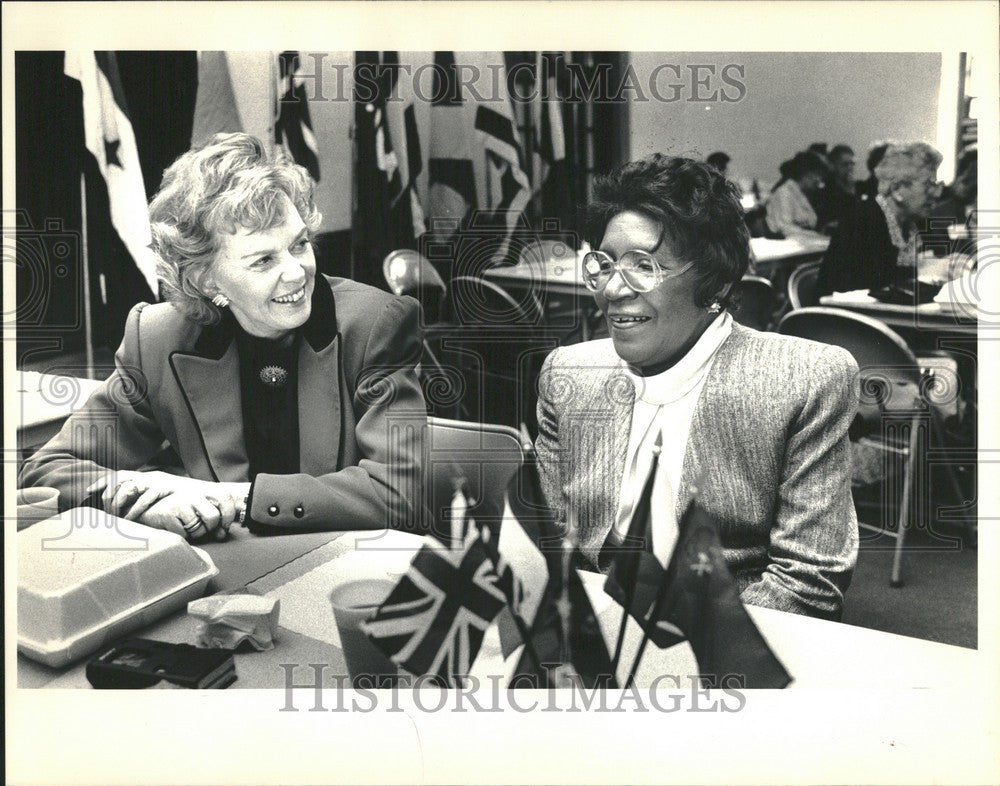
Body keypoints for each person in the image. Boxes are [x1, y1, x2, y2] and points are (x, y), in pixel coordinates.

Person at [19, 133, 427, 540]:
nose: (297, 272)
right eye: (263, 260)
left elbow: (401, 493)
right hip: (224, 570)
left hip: (341, 564)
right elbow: (49, 468)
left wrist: (234, 498)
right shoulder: (156, 339)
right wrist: (147, 503)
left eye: (299, 244)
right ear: (204, 278)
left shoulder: (376, 323)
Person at [535, 155, 859, 620]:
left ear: (714, 279)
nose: (610, 289)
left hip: (729, 647)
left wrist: (668, 647)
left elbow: (808, 584)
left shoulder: (805, 380)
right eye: (603, 264)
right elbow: (549, 544)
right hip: (591, 636)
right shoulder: (569, 374)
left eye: (643, 266)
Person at [816, 140, 943, 296]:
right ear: (897, 190)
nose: (936, 194)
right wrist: (923, 272)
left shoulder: (914, 223)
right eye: (928, 185)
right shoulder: (862, 221)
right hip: (848, 316)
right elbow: (862, 286)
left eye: (937, 185)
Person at [764, 150, 830, 239]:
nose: (819, 181)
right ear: (804, 172)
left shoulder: (803, 194)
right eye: (817, 174)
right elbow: (784, 228)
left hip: (804, 243)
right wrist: (817, 236)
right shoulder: (784, 193)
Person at [818, 143, 858, 230]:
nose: (850, 168)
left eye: (852, 163)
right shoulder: (826, 191)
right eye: (845, 164)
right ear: (833, 165)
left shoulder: (859, 188)